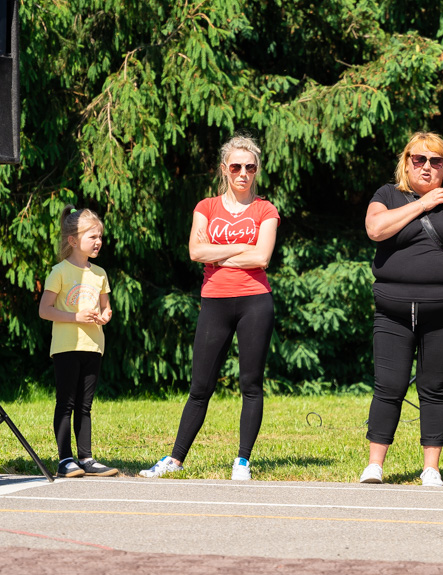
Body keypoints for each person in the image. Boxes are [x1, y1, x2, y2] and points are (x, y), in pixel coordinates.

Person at [140, 135, 279, 481]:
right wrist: (239, 250)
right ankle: (175, 459)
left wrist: (218, 250)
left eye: (249, 167)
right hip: (214, 301)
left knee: (251, 383)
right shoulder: (206, 207)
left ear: (257, 169)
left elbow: (262, 257)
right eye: (236, 167)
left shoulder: (266, 210)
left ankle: (243, 461)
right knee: (200, 386)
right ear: (224, 169)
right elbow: (195, 252)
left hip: (255, 301)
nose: (243, 173)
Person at [360, 132, 443, 487]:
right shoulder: (388, 195)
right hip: (392, 310)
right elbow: (375, 229)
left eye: (435, 161)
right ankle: (375, 465)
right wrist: (422, 205)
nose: (427, 166)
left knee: (435, 387)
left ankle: (431, 468)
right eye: (419, 159)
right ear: (406, 162)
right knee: (388, 386)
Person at [38, 206, 118, 478]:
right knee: (66, 403)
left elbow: (106, 308)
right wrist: (75, 316)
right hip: (66, 347)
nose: (98, 242)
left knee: (85, 406)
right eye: (92, 237)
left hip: (93, 347)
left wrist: (105, 316)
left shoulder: (100, 273)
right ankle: (65, 460)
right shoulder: (59, 271)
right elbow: (44, 310)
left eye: (100, 237)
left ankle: (86, 458)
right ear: (73, 240)